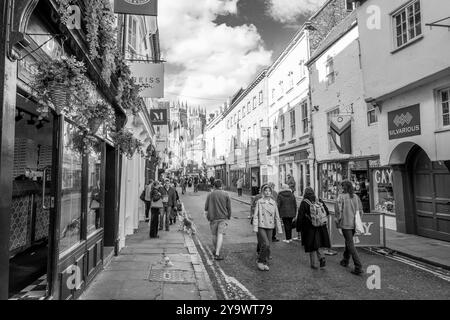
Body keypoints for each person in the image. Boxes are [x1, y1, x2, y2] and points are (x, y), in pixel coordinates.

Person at [296, 187, 331, 269]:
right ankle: (322, 258)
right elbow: (327, 212)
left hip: (309, 228)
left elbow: (300, 216)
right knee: (318, 244)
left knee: (311, 245)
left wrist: (298, 228)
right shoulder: (319, 200)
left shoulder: (304, 202)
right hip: (320, 227)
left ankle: (314, 264)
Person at [335, 180, 364, 275]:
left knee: (350, 244)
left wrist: (338, 224)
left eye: (341, 186)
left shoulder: (341, 197)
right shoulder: (356, 197)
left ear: (344, 187)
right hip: (354, 224)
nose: (340, 188)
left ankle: (358, 267)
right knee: (348, 241)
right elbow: (360, 211)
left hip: (345, 224)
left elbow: (338, 213)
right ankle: (345, 260)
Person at [253, 185, 283, 271]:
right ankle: (260, 261)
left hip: (270, 226)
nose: (267, 192)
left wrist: (279, 228)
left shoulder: (273, 203)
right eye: (266, 191)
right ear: (263, 192)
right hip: (261, 225)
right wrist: (255, 227)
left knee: (268, 245)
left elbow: (277, 216)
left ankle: (264, 262)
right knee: (265, 243)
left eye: (269, 191)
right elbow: (255, 216)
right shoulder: (259, 201)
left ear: (271, 192)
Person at [204, 179, 232, 260]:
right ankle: (217, 253)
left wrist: (207, 216)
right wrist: (229, 216)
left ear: (214, 186)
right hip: (223, 217)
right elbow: (229, 207)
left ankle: (216, 249)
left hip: (213, 218)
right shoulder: (226, 194)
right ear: (221, 185)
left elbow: (206, 207)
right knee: (220, 235)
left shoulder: (210, 194)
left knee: (214, 235)